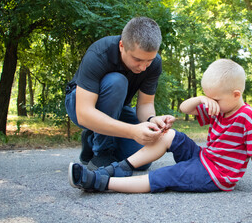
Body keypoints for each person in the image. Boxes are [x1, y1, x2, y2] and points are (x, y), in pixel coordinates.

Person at [68, 59, 252, 193]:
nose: (211, 104)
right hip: (204, 158)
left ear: (236, 95)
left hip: (216, 175)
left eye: (215, 99)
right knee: (169, 135)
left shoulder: (247, 117)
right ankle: (119, 169)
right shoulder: (220, 107)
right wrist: (202, 99)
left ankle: (100, 182)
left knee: (166, 175)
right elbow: (185, 108)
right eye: (208, 98)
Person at [65, 17, 175, 171]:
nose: (143, 67)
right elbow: (84, 113)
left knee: (142, 160)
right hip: (79, 103)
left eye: (148, 60)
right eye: (137, 59)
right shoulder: (99, 53)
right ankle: (102, 152)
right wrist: (132, 131)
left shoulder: (154, 63)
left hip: (118, 108)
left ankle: (91, 140)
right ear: (122, 46)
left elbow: (145, 104)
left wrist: (152, 120)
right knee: (116, 81)